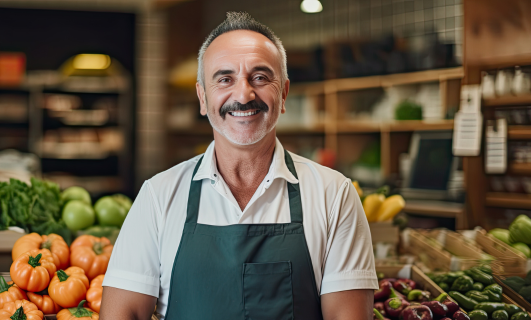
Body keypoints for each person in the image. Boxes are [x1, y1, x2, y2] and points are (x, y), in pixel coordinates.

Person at [100, 11, 378, 320]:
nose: (244, 94)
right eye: (225, 79)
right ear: (203, 98)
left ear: (283, 94)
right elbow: (121, 313)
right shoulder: (159, 195)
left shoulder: (333, 194)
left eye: (260, 77)